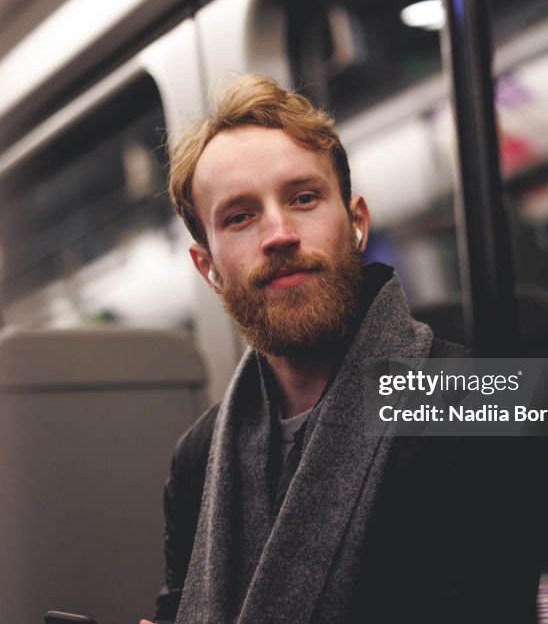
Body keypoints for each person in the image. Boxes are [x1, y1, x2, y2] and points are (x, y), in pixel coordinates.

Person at [145, 74, 480, 624]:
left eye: (303, 198)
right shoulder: (197, 460)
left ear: (355, 224)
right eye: (240, 216)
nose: (278, 233)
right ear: (209, 269)